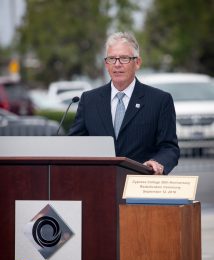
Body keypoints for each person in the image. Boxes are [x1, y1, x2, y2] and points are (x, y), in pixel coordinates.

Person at [68, 32, 180, 174]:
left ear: (137, 62)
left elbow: (169, 148)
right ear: (106, 64)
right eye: (112, 59)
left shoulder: (160, 100)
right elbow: (74, 145)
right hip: (98, 184)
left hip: (140, 184)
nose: (117, 64)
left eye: (124, 58)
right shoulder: (89, 100)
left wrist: (157, 163)